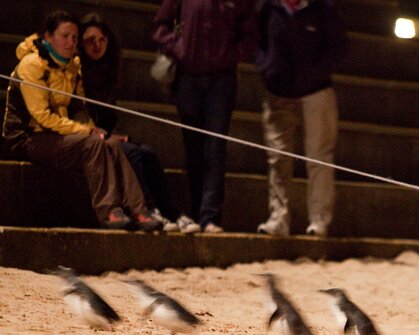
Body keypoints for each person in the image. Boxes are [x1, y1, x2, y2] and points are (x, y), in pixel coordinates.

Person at [2, 11, 161, 231]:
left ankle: (139, 209)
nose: (70, 42)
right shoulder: (32, 64)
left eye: (74, 38)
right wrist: (87, 133)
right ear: (48, 37)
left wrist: (94, 130)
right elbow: (42, 117)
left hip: (56, 135)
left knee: (112, 145)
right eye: (64, 36)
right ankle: (109, 211)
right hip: (27, 137)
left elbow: (79, 110)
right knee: (94, 144)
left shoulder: (72, 66)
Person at [78, 13, 200, 234]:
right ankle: (147, 210)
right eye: (90, 41)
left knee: (147, 152)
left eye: (101, 40)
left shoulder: (107, 72)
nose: (97, 45)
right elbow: (79, 117)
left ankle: (173, 213)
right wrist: (105, 136)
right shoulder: (78, 72)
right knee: (132, 152)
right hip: (89, 138)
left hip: (104, 136)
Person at [152, 0, 257, 233]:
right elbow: (160, 25)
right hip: (188, 78)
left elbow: (250, 35)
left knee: (216, 148)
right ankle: (198, 211)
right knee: (194, 148)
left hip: (221, 80)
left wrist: (229, 55)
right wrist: (179, 48)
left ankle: (209, 217)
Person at [255, 0, 347, 237]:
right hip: (277, 91)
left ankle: (319, 220)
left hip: (316, 91)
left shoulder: (322, 9)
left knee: (319, 156)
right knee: (278, 158)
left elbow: (338, 47)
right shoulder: (268, 9)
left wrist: (314, 74)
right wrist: (267, 69)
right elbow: (257, 42)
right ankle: (278, 219)